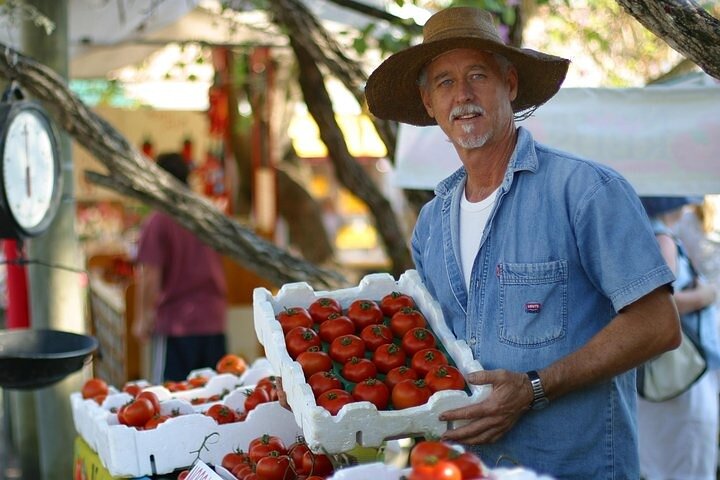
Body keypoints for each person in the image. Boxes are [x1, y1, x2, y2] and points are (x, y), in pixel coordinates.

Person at [364, 7, 680, 479]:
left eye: (478, 75)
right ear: (428, 103)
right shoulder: (432, 222)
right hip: (465, 467)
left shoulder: (585, 190)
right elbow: (427, 350)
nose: (463, 95)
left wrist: (536, 387)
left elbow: (658, 324)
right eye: (445, 82)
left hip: (575, 467)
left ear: (509, 85)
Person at [637, 196, 720, 480]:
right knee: (689, 458)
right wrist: (704, 296)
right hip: (681, 375)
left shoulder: (646, 233)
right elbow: (662, 304)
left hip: (668, 371)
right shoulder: (663, 238)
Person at [132, 152, 228, 383]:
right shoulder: (206, 212)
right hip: (213, 318)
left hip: (177, 324)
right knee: (216, 398)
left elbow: (150, 276)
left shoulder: (159, 219)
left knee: (171, 402)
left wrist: (143, 318)